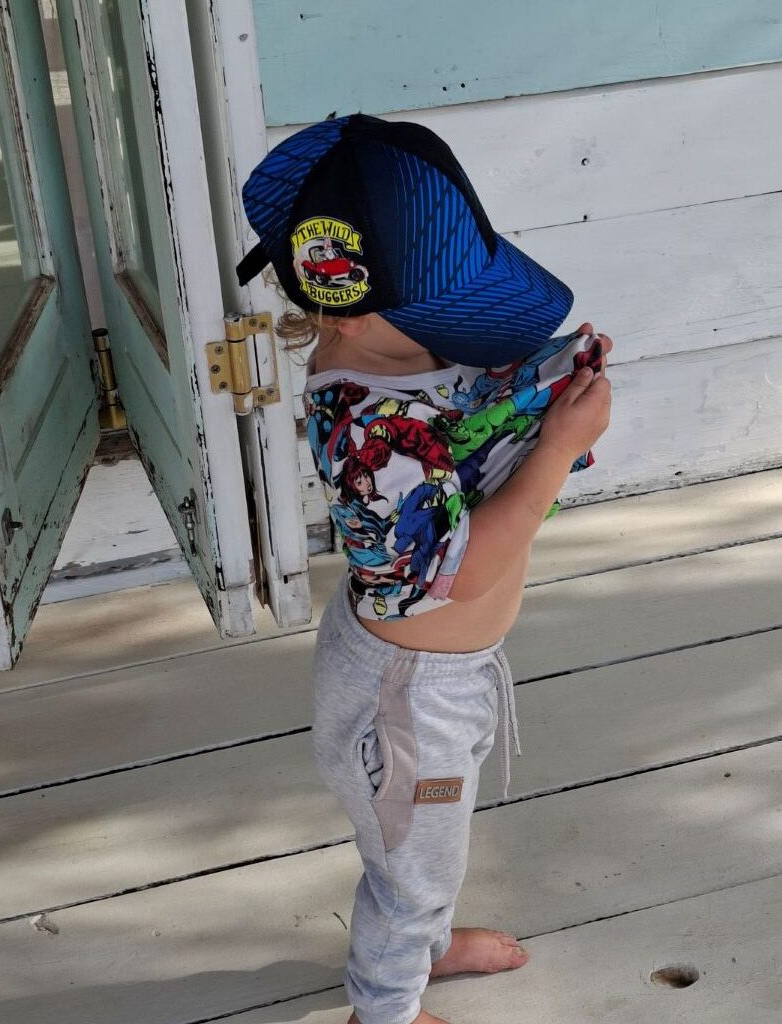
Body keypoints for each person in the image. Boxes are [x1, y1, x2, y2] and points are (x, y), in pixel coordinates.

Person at [236, 113, 613, 1024]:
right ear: (354, 309)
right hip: (406, 699)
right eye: (449, 319)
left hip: (441, 677)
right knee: (410, 863)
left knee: (424, 849)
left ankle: (427, 944)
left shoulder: (394, 353)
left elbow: (458, 416)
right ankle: (386, 1005)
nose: (463, 343)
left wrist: (535, 391)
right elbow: (459, 572)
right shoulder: (363, 431)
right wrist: (558, 448)